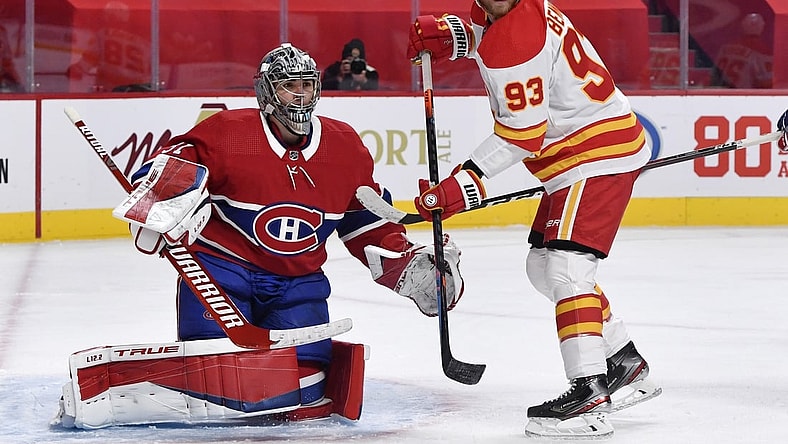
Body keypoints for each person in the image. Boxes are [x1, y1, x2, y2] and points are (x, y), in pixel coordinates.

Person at [53, 43, 464, 429]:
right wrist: (156, 206)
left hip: (297, 282)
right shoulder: (229, 133)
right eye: (289, 87)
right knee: (221, 380)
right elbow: (168, 168)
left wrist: (406, 263)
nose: (300, 97)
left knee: (306, 385)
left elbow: (364, 221)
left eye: (307, 85)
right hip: (220, 273)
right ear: (267, 93)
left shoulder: (345, 146)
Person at [407, 0, 661, 439]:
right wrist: (457, 36)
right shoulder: (514, 13)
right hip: (578, 153)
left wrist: (462, 185)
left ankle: (589, 393)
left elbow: (522, 135)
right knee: (542, 267)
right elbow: (513, 51)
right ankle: (621, 360)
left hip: (593, 155)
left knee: (568, 270)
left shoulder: (516, 37)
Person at [712, 12, 773, 89]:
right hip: (744, 96)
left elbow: (714, 76)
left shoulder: (725, 48)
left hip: (721, 94)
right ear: (763, 26)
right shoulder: (763, 52)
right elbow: (765, 83)